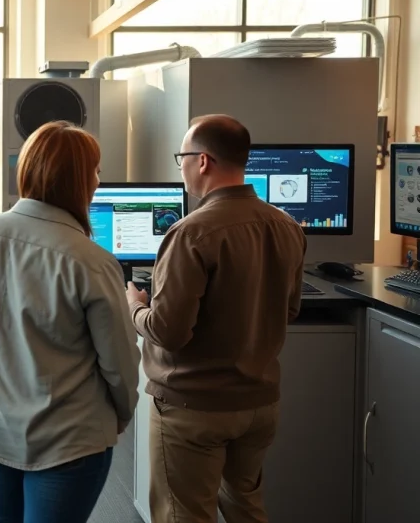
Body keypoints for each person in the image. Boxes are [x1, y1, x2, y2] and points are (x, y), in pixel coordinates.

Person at [0, 120, 141, 523]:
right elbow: (119, 363)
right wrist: (122, 413)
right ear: (78, 181)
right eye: (95, 171)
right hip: (68, 436)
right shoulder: (91, 261)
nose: (97, 180)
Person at [126, 114, 307, 523]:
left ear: (203, 161)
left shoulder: (190, 233)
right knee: (246, 508)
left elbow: (168, 332)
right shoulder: (288, 227)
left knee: (183, 514)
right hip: (259, 407)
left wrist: (135, 305)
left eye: (182, 157)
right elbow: (290, 310)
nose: (182, 166)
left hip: (194, 408)